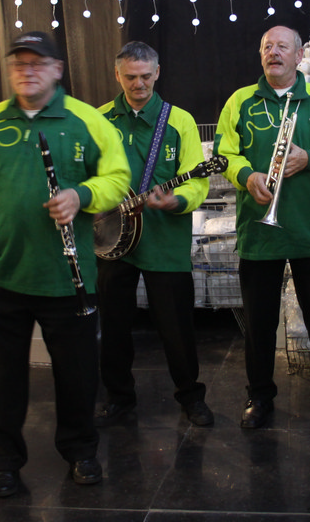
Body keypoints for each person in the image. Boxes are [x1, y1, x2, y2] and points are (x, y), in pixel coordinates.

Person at [0, 30, 130, 499]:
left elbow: (118, 178)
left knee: (77, 376)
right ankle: (4, 464)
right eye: (19, 63)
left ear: (57, 70)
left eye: (37, 63)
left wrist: (81, 195)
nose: (26, 71)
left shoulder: (87, 120)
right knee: (1, 381)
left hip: (67, 279)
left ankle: (81, 451)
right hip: (2, 276)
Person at [214, 25, 310, 429]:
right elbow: (224, 153)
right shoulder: (239, 101)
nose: (273, 52)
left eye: (282, 46)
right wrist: (246, 175)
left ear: (299, 56)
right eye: (267, 46)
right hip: (260, 232)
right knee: (259, 324)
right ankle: (259, 395)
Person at [93, 41, 214, 428]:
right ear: (117, 75)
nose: (139, 84)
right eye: (130, 77)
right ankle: (118, 396)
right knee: (113, 327)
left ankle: (191, 397)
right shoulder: (98, 119)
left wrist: (176, 200)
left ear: (157, 73)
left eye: (146, 76)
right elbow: (84, 175)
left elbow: (197, 180)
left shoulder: (179, 121)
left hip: (165, 242)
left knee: (177, 329)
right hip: (112, 242)